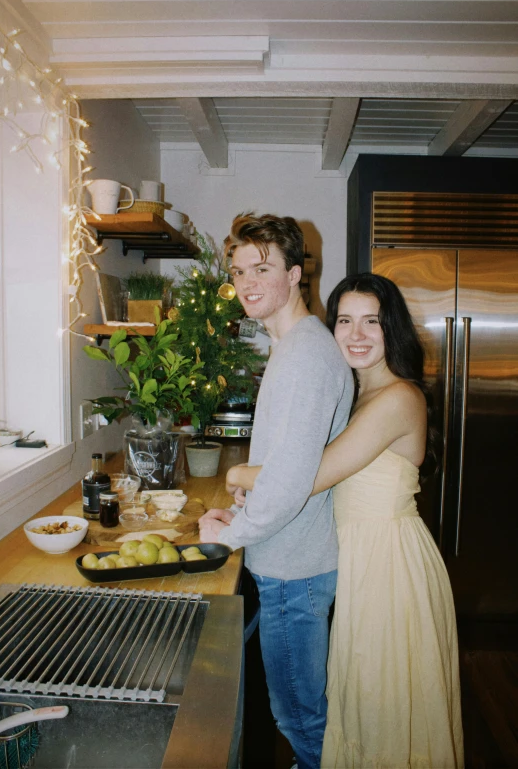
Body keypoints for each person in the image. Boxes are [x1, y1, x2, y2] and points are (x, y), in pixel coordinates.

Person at [225, 272, 464, 769]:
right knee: (359, 700)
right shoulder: (358, 396)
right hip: (359, 557)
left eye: (372, 322)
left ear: (391, 329)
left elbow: (312, 475)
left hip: (388, 564)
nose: (356, 334)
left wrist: (240, 472)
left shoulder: (399, 398)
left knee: (382, 701)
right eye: (345, 321)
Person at [198, 212, 355, 769]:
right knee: (301, 713)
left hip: (295, 572)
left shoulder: (307, 355)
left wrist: (232, 533)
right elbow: (288, 466)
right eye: (239, 271)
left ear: (295, 273)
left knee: (300, 719)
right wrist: (243, 503)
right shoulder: (293, 349)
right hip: (293, 562)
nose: (247, 282)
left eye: (262, 267)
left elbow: (289, 483)